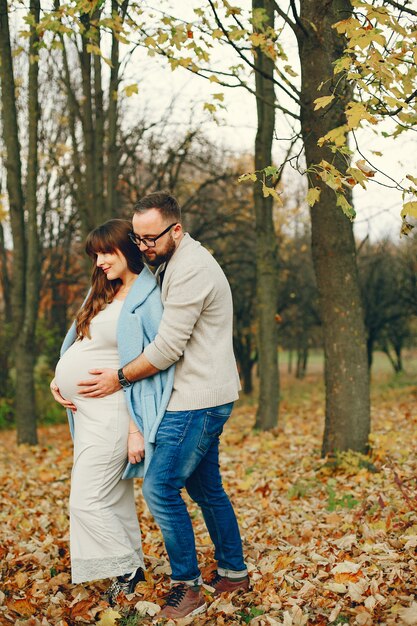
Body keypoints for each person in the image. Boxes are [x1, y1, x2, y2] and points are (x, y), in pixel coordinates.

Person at [76, 193, 249, 619]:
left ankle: (186, 586)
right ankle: (234, 573)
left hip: (196, 399)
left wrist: (118, 378)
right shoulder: (171, 261)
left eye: (150, 238)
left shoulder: (191, 268)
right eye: (137, 238)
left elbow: (169, 346)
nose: (143, 246)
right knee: (207, 489)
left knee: (159, 487)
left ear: (176, 229)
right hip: (202, 394)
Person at [50, 218, 173, 605]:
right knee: (113, 498)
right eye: (96, 254)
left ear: (129, 249)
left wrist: (137, 429)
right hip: (87, 412)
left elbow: (154, 365)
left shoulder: (149, 298)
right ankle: (131, 568)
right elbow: (80, 340)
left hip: (115, 411)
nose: (100, 261)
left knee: (85, 500)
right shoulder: (103, 291)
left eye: (107, 252)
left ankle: (127, 570)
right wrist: (59, 378)